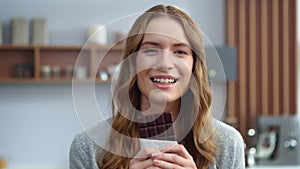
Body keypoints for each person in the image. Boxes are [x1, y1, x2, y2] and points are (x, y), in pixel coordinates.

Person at [69, 4, 245, 169]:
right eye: (151, 50)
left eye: (180, 52)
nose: (165, 64)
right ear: (132, 63)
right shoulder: (88, 148)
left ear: (194, 67)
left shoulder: (228, 143)